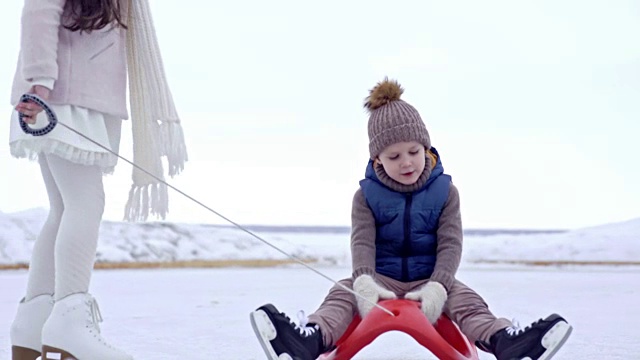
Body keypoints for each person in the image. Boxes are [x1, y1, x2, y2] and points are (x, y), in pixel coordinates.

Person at [249, 78, 572, 360]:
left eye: (414, 152)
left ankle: (507, 343)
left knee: (468, 301)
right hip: (381, 278)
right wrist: (364, 279)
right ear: (377, 159)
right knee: (341, 294)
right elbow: (362, 241)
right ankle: (307, 340)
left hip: (429, 278)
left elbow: (450, 243)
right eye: (394, 156)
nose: (406, 162)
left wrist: (439, 286)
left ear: (426, 148)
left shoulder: (446, 192)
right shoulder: (365, 196)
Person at [8, 0, 187, 359]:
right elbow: (38, 9)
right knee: (85, 204)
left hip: (77, 96)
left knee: (63, 208)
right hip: (62, 98)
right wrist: (40, 79)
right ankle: (69, 323)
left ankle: (33, 324)